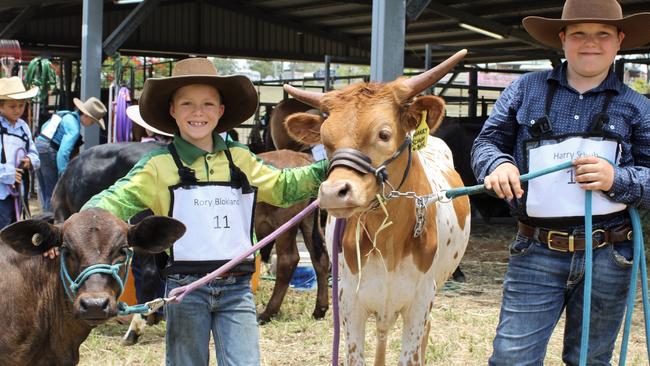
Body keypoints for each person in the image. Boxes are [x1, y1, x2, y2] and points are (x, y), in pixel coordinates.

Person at [78, 58, 327, 365]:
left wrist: (331, 167)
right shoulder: (157, 167)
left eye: (209, 103)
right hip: (185, 290)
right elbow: (111, 201)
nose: (198, 112)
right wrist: (72, 229)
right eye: (187, 104)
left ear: (221, 111)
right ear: (172, 110)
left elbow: (285, 186)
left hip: (237, 289)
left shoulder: (241, 159)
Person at [470, 0, 650, 364]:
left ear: (619, 40)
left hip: (609, 253)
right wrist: (499, 164)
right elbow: (486, 142)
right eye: (580, 34)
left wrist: (617, 178)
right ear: (563, 39)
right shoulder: (525, 89)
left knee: (590, 358)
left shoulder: (638, 107)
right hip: (535, 249)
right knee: (511, 357)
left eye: (602, 34)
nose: (590, 43)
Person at [35, 96, 106, 212]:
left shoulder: (64, 114)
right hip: (49, 151)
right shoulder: (74, 128)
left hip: (38, 146)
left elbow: (44, 127)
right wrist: (63, 174)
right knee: (54, 192)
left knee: (45, 189)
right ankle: (50, 220)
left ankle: (45, 215)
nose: (91, 124)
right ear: (86, 116)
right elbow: (63, 152)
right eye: (93, 121)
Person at [0, 77, 40, 228]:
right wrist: (8, 173)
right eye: (12, 106)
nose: (18, 110)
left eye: (21, 105)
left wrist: (30, 160)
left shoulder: (23, 127)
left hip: (17, 193)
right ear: (1, 106)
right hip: (1, 192)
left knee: (13, 230)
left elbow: (34, 153)